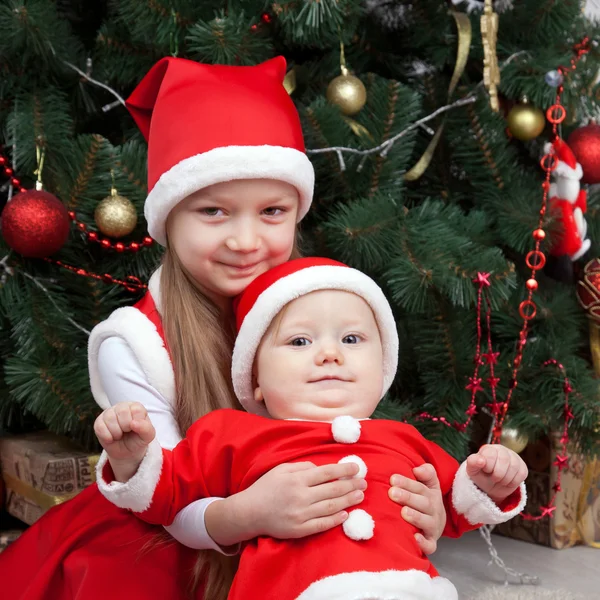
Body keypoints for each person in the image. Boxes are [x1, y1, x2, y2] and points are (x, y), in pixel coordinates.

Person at [0, 58, 448, 600]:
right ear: (170, 219)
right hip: (175, 534)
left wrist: (420, 507)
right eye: (214, 212)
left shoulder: (321, 301)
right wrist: (251, 513)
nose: (245, 241)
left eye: (272, 211)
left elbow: (352, 432)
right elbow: (165, 500)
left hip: (296, 523)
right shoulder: (135, 344)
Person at [95, 257, 528, 600]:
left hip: (406, 587)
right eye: (300, 341)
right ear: (257, 380)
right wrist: (133, 458)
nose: (329, 354)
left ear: (382, 368)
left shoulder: (405, 439)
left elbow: (457, 506)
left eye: (352, 339)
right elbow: (166, 492)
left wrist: (488, 482)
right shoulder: (230, 433)